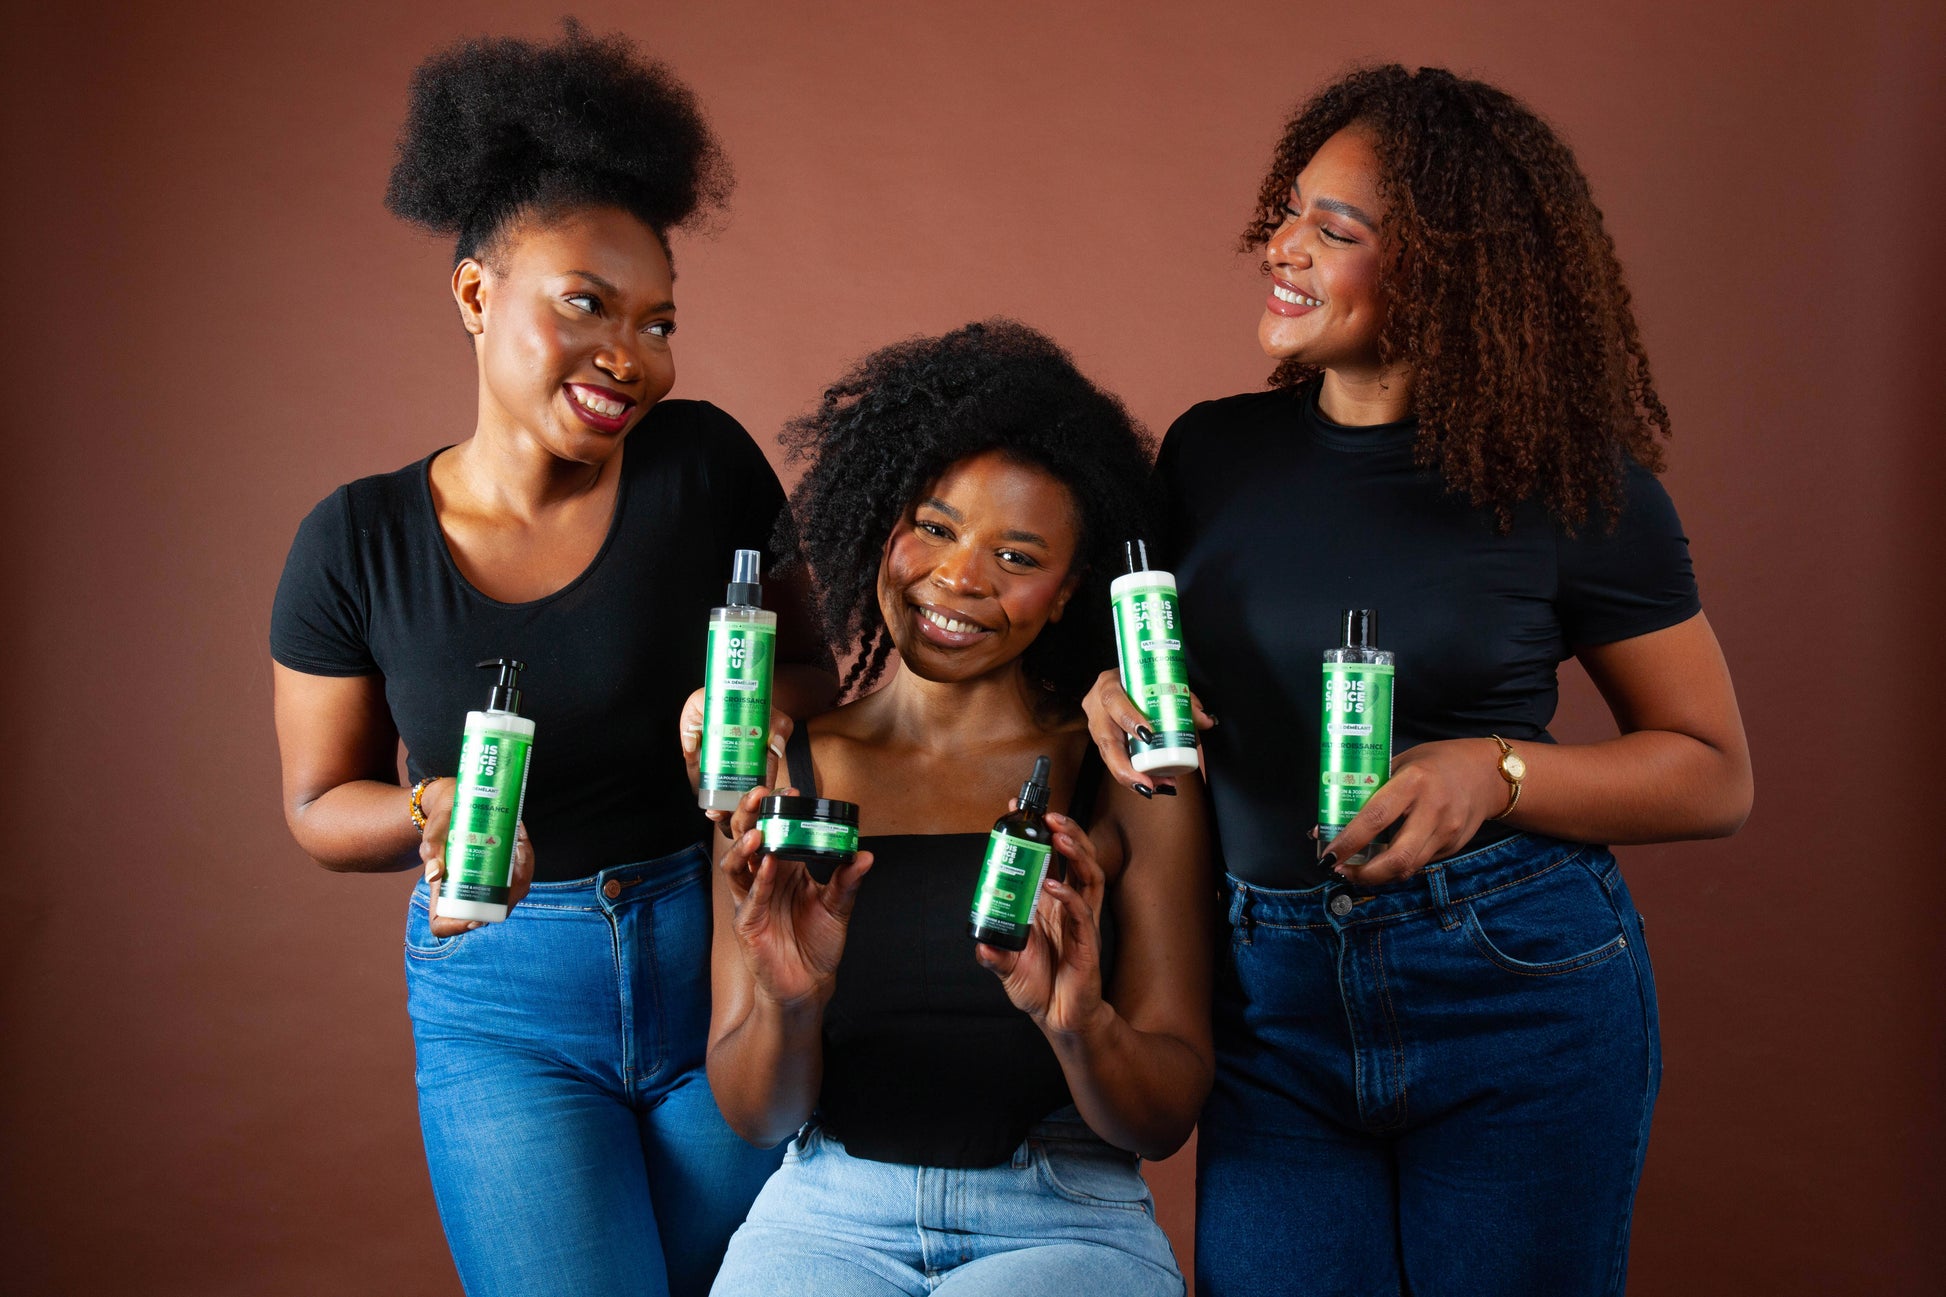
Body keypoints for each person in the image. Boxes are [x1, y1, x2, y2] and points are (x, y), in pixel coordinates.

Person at [1081, 65, 1755, 1296]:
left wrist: (1490, 773)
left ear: (1446, 271)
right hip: (1269, 1000)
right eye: (1288, 210)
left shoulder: (1575, 492)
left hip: (1510, 991)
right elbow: (1143, 659)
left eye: (1332, 231)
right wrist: (1107, 691)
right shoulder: (1210, 452)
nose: (1278, 247)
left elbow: (1712, 773)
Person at [268, 24, 827, 1296]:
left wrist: (759, 722)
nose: (631, 354)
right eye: (586, 302)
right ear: (475, 295)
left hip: (720, 955)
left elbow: (813, 675)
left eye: (658, 320)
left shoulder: (705, 466)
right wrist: (433, 803)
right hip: (502, 1003)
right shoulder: (355, 541)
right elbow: (316, 807)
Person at [703, 321, 1212, 1296]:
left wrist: (1079, 1023)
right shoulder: (775, 759)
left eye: (1015, 556)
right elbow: (756, 1113)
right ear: (880, 521)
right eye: (933, 526)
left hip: (1062, 1215)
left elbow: (1163, 1111)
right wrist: (790, 1002)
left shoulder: (1124, 764)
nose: (957, 577)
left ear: (1069, 593)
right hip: (827, 1211)